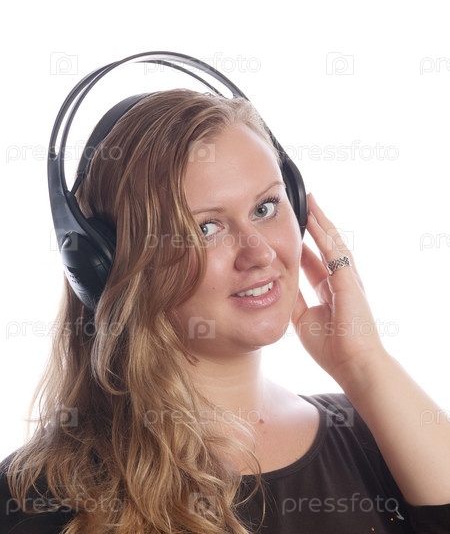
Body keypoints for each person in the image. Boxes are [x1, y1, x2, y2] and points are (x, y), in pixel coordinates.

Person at [1, 88, 449, 533]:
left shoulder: (373, 430)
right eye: (206, 228)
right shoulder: (37, 499)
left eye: (265, 207)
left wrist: (364, 364)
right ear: (107, 264)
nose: (259, 253)